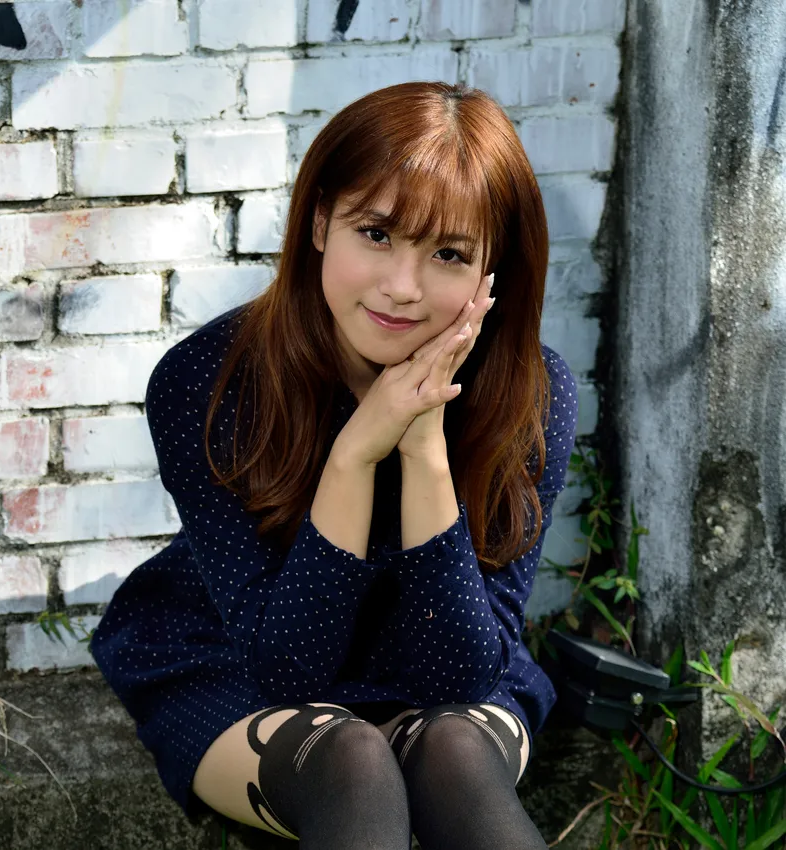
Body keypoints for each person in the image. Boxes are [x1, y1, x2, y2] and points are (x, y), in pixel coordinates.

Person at [88, 80, 580, 850]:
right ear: (320, 221)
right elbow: (290, 671)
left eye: (449, 254)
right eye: (376, 234)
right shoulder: (206, 383)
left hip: (450, 659)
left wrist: (422, 443)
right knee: (351, 760)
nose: (402, 288)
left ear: (494, 271)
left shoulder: (531, 395)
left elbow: (459, 678)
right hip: (238, 656)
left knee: (456, 750)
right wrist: (355, 453)